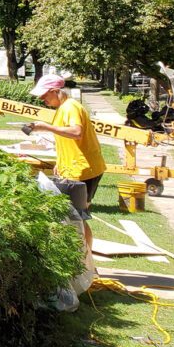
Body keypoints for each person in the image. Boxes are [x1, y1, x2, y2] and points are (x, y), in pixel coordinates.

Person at [27, 74, 106, 247]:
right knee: (74, 217)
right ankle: (84, 260)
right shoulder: (63, 108)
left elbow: (76, 133)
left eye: (44, 95)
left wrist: (45, 126)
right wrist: (60, 163)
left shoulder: (71, 107)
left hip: (84, 170)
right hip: (76, 168)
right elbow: (66, 140)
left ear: (56, 91)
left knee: (77, 218)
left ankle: (85, 261)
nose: (42, 99)